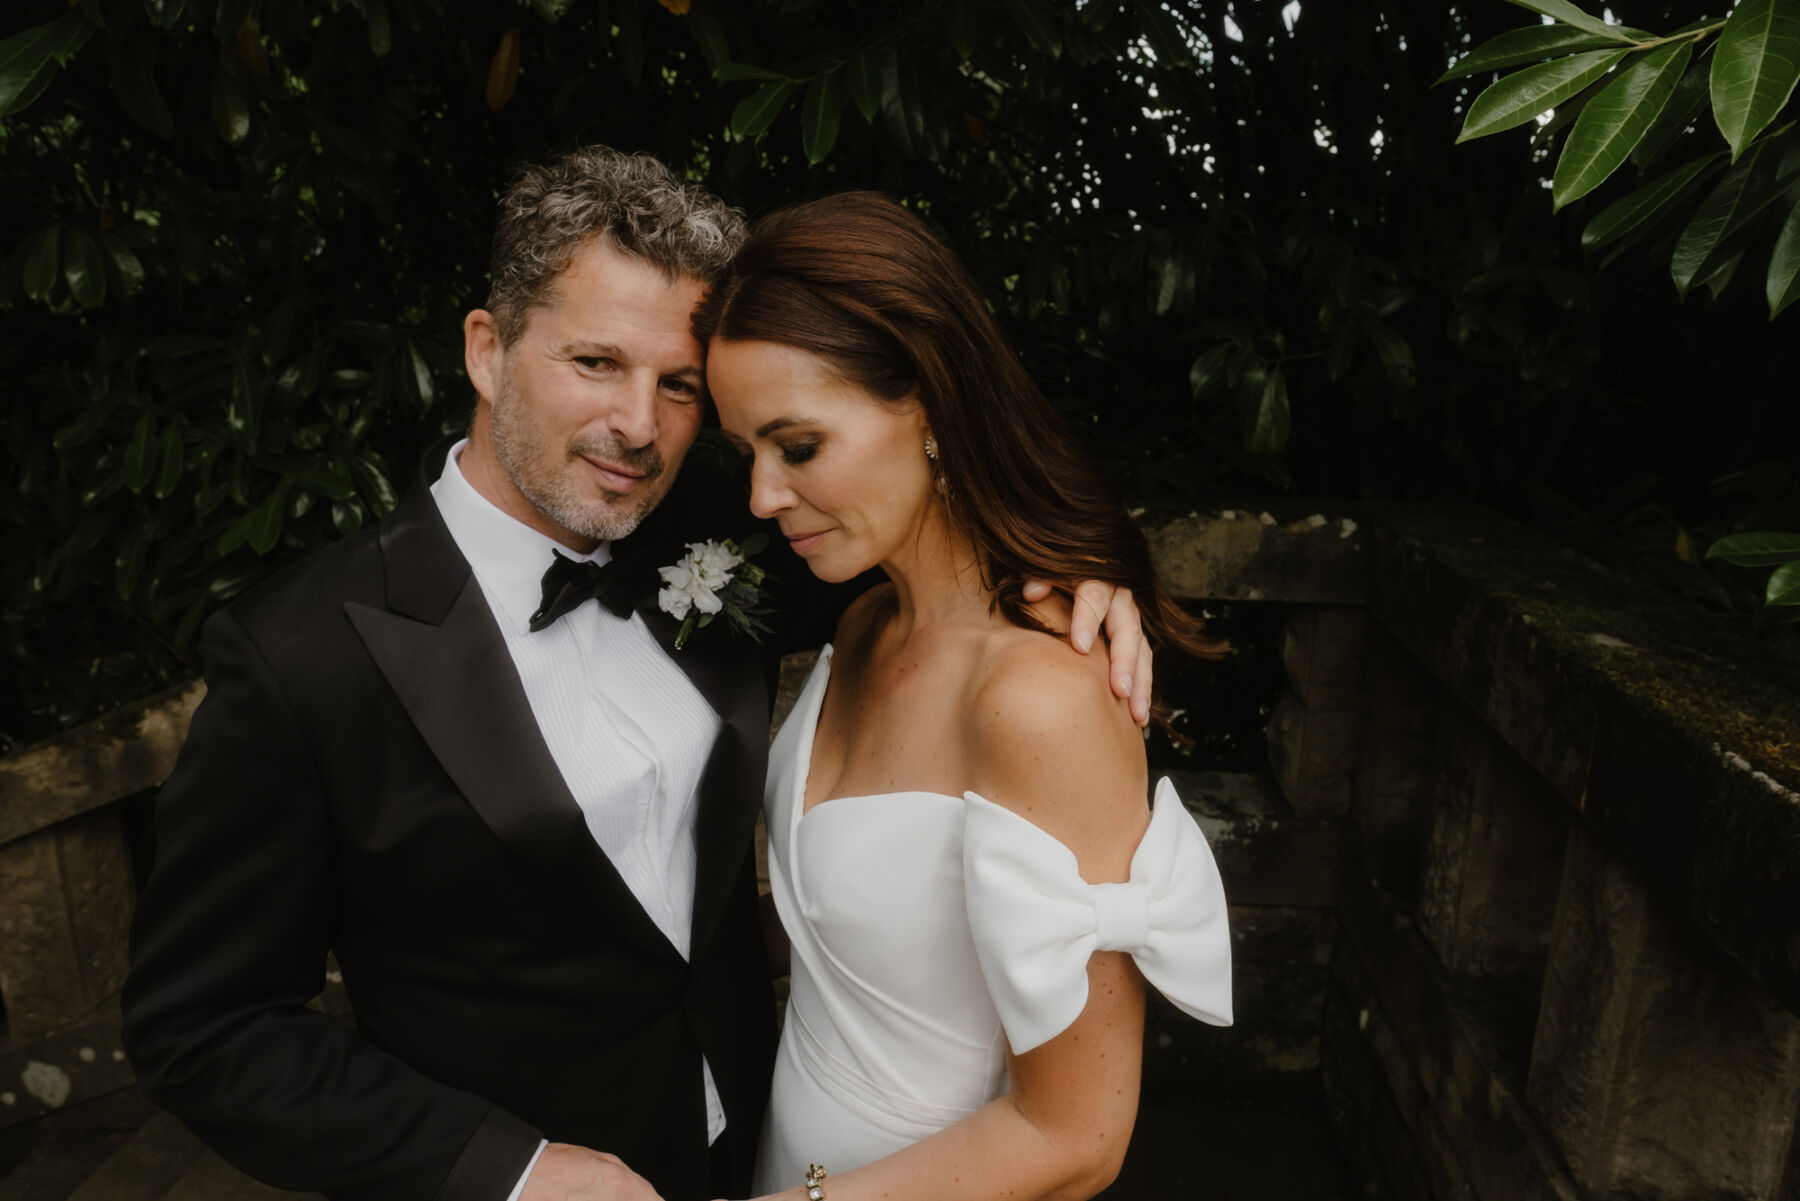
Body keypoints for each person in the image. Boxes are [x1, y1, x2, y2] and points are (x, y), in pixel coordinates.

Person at [120, 147, 1152, 1201]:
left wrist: (1069, 572)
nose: (639, 427)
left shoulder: (729, 539)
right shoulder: (301, 652)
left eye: (679, 387)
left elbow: (923, 541)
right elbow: (201, 1028)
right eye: (596, 363)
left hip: (783, 1147)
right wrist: (509, 1172)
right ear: (487, 348)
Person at [696, 191, 1235, 1201]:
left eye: (798, 445)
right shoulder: (859, 629)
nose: (762, 496)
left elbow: (1075, 1135)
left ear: (933, 409)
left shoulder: (1043, 699)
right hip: (784, 1159)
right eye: (747, 455)